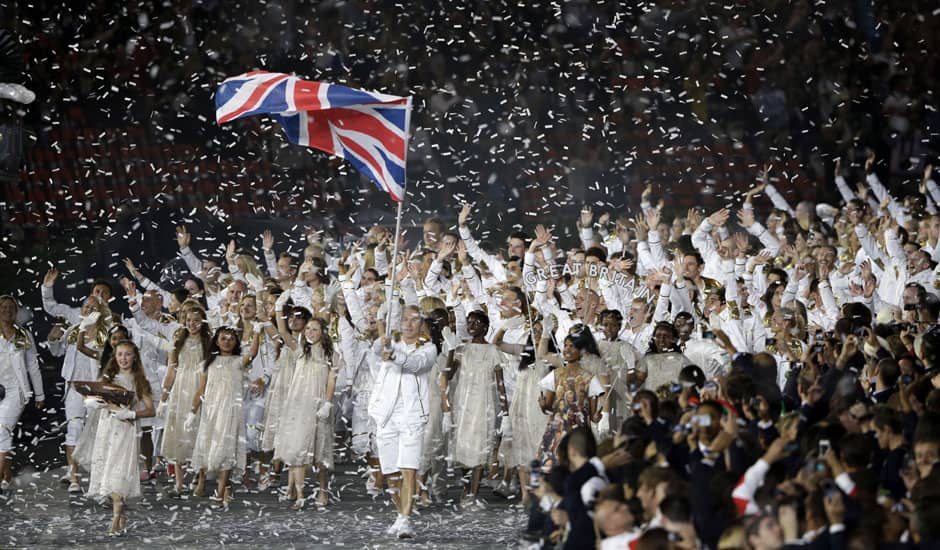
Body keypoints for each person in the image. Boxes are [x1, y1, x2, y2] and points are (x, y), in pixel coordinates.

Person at [369, 305, 438, 539]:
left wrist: (395, 356)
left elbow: (416, 364)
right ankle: (401, 514)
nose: (408, 324)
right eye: (405, 320)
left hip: (411, 417)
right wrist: (382, 341)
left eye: (414, 321)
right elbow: (375, 350)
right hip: (386, 416)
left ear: (422, 325)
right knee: (391, 474)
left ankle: (406, 520)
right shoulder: (391, 343)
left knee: (409, 470)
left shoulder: (429, 349)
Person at [82, 340, 155, 536]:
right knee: (108, 468)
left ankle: (115, 518)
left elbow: (150, 410)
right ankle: (120, 513)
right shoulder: (108, 377)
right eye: (120, 354)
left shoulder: (139, 381)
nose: (123, 358)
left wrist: (131, 414)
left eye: (128, 354)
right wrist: (92, 402)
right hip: (107, 428)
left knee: (118, 471)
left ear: (134, 357)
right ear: (115, 356)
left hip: (125, 430)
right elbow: (92, 395)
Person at [186, 326, 260, 508]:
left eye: (231, 338)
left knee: (227, 448)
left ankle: (220, 492)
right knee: (206, 444)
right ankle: (202, 479)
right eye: (223, 338)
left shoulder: (238, 361)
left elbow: (253, 352)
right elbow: (201, 390)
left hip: (231, 412)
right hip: (211, 411)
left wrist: (257, 331)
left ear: (236, 342)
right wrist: (191, 412)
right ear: (216, 341)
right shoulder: (209, 363)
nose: (227, 341)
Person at [272, 316, 340, 509]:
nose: (310, 332)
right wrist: (279, 308)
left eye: (315, 329)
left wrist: (327, 403)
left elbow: (331, 381)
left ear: (323, 332)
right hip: (298, 404)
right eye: (308, 328)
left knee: (320, 448)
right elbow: (283, 333)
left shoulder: (331, 356)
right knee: (298, 448)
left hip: (318, 405)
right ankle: (300, 494)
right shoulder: (301, 351)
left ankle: (322, 489)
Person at [442, 309, 506, 506]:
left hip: (484, 404)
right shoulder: (462, 349)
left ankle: (473, 494)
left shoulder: (493, 351)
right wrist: (451, 349)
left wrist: (506, 411)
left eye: (476, 323)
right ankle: (466, 486)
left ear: (485, 327)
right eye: (469, 322)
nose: (471, 326)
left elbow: (500, 382)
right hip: (464, 403)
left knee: (480, 445)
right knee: (463, 447)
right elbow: (448, 375)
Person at [0, 295, 44, 491]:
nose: (7, 311)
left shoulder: (23, 335)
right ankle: (7, 475)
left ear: (16, 311)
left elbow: (33, 366)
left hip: (16, 391)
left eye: (11, 308)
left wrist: (39, 394)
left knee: (2, 431)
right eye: (3, 307)